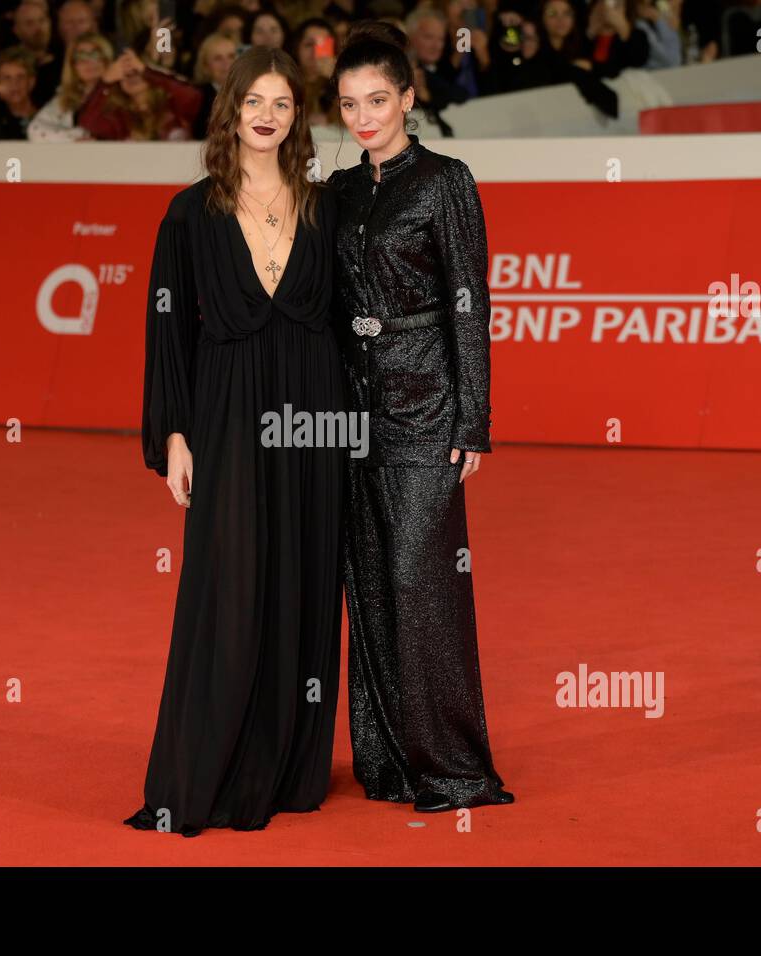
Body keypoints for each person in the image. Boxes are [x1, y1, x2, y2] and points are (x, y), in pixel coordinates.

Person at [125, 43, 346, 837]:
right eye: (254, 100)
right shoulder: (189, 213)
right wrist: (175, 434)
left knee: (302, 580)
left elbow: (348, 331)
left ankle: (287, 764)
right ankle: (205, 765)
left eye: (283, 104)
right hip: (225, 414)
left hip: (316, 421)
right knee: (230, 582)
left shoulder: (325, 205)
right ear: (230, 109)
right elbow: (167, 332)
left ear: (297, 117)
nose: (267, 115)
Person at [326, 20, 513, 814]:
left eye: (378, 99)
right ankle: (391, 762)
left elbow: (470, 304)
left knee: (422, 582)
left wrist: (473, 419)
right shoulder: (336, 191)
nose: (364, 117)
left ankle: (453, 768)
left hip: (427, 402)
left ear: (408, 97)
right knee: (368, 584)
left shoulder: (445, 180)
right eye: (347, 104)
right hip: (350, 410)